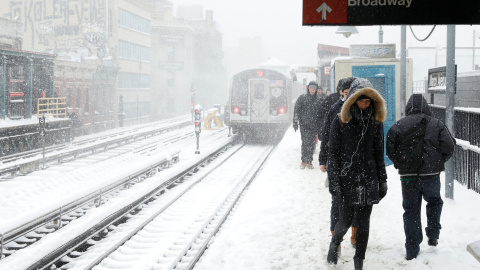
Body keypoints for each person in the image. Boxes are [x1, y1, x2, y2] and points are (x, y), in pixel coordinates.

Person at [326, 78, 388, 270]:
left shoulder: (375, 122)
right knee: (344, 220)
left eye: (368, 101)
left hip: (368, 178)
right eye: (361, 100)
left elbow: (379, 153)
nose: (365, 104)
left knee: (364, 222)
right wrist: (334, 179)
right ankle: (335, 242)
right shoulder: (341, 121)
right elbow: (333, 152)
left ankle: (358, 261)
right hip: (347, 178)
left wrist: (382, 179)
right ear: (353, 100)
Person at [386, 94, 455, 261]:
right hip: (431, 174)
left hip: (408, 177)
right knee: (434, 201)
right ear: (426, 107)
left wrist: (401, 164)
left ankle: (411, 248)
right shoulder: (436, 124)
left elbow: (390, 148)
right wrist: (438, 162)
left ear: (408, 107)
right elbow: (449, 146)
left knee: (411, 211)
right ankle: (433, 233)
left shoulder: (399, 125)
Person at [318, 77, 358, 249]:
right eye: (345, 90)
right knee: (337, 201)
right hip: (337, 164)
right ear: (341, 92)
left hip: (357, 164)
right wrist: (322, 159)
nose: (348, 94)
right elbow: (325, 136)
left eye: (351, 91)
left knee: (358, 201)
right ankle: (336, 238)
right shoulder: (335, 109)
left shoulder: (362, 109)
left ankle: (355, 235)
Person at [293, 81, 323, 169]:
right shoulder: (302, 98)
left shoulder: (319, 100)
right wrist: (295, 120)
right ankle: (303, 161)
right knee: (305, 142)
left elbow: (321, 113)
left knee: (311, 143)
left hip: (314, 125)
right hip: (304, 124)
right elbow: (297, 109)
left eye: (314, 89)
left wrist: (321, 124)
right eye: (311, 88)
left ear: (316, 89)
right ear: (308, 89)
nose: (312, 90)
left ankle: (309, 161)